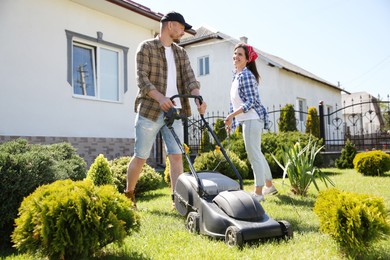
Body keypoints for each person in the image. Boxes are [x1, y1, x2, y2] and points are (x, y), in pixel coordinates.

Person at [125, 11, 207, 208]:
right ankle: (128, 194)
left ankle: (177, 200)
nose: (183, 32)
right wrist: (160, 98)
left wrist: (197, 97)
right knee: (141, 156)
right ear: (170, 25)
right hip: (150, 110)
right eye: (181, 27)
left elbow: (189, 78)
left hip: (175, 111)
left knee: (176, 155)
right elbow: (142, 79)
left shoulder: (181, 53)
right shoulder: (146, 47)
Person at [224, 43, 277, 201]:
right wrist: (231, 121)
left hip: (252, 118)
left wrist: (232, 115)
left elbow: (251, 101)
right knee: (257, 154)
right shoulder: (237, 76)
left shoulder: (246, 75)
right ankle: (269, 186)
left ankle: (258, 193)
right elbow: (234, 102)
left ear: (247, 59)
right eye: (235, 54)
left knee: (253, 155)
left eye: (240, 54)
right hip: (248, 119)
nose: (236, 57)